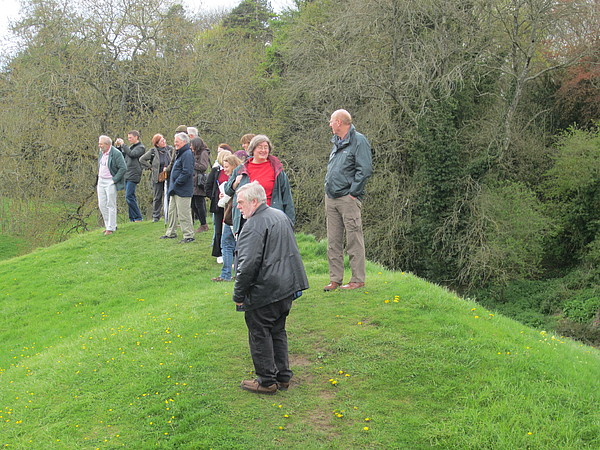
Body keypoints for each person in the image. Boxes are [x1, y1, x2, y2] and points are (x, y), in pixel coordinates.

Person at [233, 182, 309, 395]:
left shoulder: (254, 225)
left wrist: (239, 295)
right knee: (277, 330)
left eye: (240, 202)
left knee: (260, 332)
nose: (238, 207)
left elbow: (247, 265)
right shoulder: (279, 215)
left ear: (254, 202)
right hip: (286, 286)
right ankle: (283, 376)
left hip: (266, 289)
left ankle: (267, 381)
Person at [323, 109, 373, 291]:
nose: (329, 124)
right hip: (332, 197)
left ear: (339, 122)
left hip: (348, 198)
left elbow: (365, 169)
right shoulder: (336, 143)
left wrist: (354, 192)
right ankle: (335, 279)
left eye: (331, 121)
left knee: (354, 239)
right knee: (333, 241)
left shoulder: (359, 141)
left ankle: (357, 279)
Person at [225, 135, 295, 236]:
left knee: (271, 250)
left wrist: (289, 223)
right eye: (260, 147)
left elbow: (287, 198)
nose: (263, 150)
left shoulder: (277, 169)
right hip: (246, 219)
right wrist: (235, 183)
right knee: (247, 249)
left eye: (266, 147)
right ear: (252, 149)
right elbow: (228, 191)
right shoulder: (241, 169)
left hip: (271, 218)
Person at [211, 153, 242, 282]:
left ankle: (229, 274)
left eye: (227, 167)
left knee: (231, 245)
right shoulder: (233, 180)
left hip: (233, 217)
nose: (225, 170)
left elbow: (224, 201)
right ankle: (230, 274)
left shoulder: (237, 180)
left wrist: (223, 198)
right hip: (228, 217)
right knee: (227, 245)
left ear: (234, 166)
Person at [160, 132, 195, 243]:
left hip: (183, 189)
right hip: (174, 188)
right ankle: (170, 233)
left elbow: (187, 172)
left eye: (177, 141)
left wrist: (177, 183)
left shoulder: (187, 154)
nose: (175, 143)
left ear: (184, 142)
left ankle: (188, 235)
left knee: (183, 213)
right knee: (172, 212)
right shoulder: (179, 153)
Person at [205, 148, 233, 261]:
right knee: (218, 229)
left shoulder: (234, 171)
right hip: (218, 204)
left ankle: (231, 251)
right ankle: (219, 252)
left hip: (229, 204)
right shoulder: (216, 171)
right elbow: (208, 187)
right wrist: (215, 197)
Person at [96, 135, 126, 235]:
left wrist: (114, 180)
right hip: (101, 181)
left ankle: (111, 227)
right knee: (102, 204)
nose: (99, 146)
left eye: (101, 144)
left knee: (110, 204)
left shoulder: (116, 153)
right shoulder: (101, 153)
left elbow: (123, 168)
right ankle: (107, 224)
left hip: (110, 181)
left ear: (107, 144)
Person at [140, 134, 173, 222]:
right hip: (158, 177)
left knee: (170, 195)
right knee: (157, 196)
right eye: (162, 141)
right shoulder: (153, 151)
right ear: (157, 144)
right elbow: (142, 159)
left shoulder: (170, 150)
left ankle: (170, 214)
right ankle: (156, 216)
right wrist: (151, 167)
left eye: (164, 140)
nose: (164, 141)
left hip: (169, 176)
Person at [115, 131, 145, 222]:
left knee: (129, 196)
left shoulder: (141, 147)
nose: (129, 139)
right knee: (130, 196)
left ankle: (138, 217)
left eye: (130, 137)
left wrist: (124, 145)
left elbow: (132, 154)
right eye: (128, 138)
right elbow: (124, 156)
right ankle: (132, 218)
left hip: (134, 174)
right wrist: (119, 147)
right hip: (127, 174)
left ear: (136, 137)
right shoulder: (130, 147)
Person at [191, 136, 210, 233]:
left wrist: (192, 163)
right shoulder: (196, 153)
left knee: (199, 204)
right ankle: (202, 223)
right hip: (193, 181)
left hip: (199, 181)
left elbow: (204, 166)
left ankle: (204, 224)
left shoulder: (204, 153)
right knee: (193, 204)